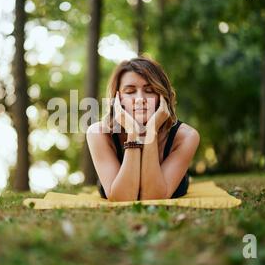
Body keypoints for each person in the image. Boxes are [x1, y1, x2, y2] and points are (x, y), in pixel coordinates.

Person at [86, 56, 200, 201]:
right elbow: (122, 198)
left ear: (162, 96)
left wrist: (151, 130)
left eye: (150, 90)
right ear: (118, 99)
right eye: (130, 91)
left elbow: (153, 197)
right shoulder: (99, 134)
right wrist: (132, 134)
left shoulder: (186, 136)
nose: (140, 98)